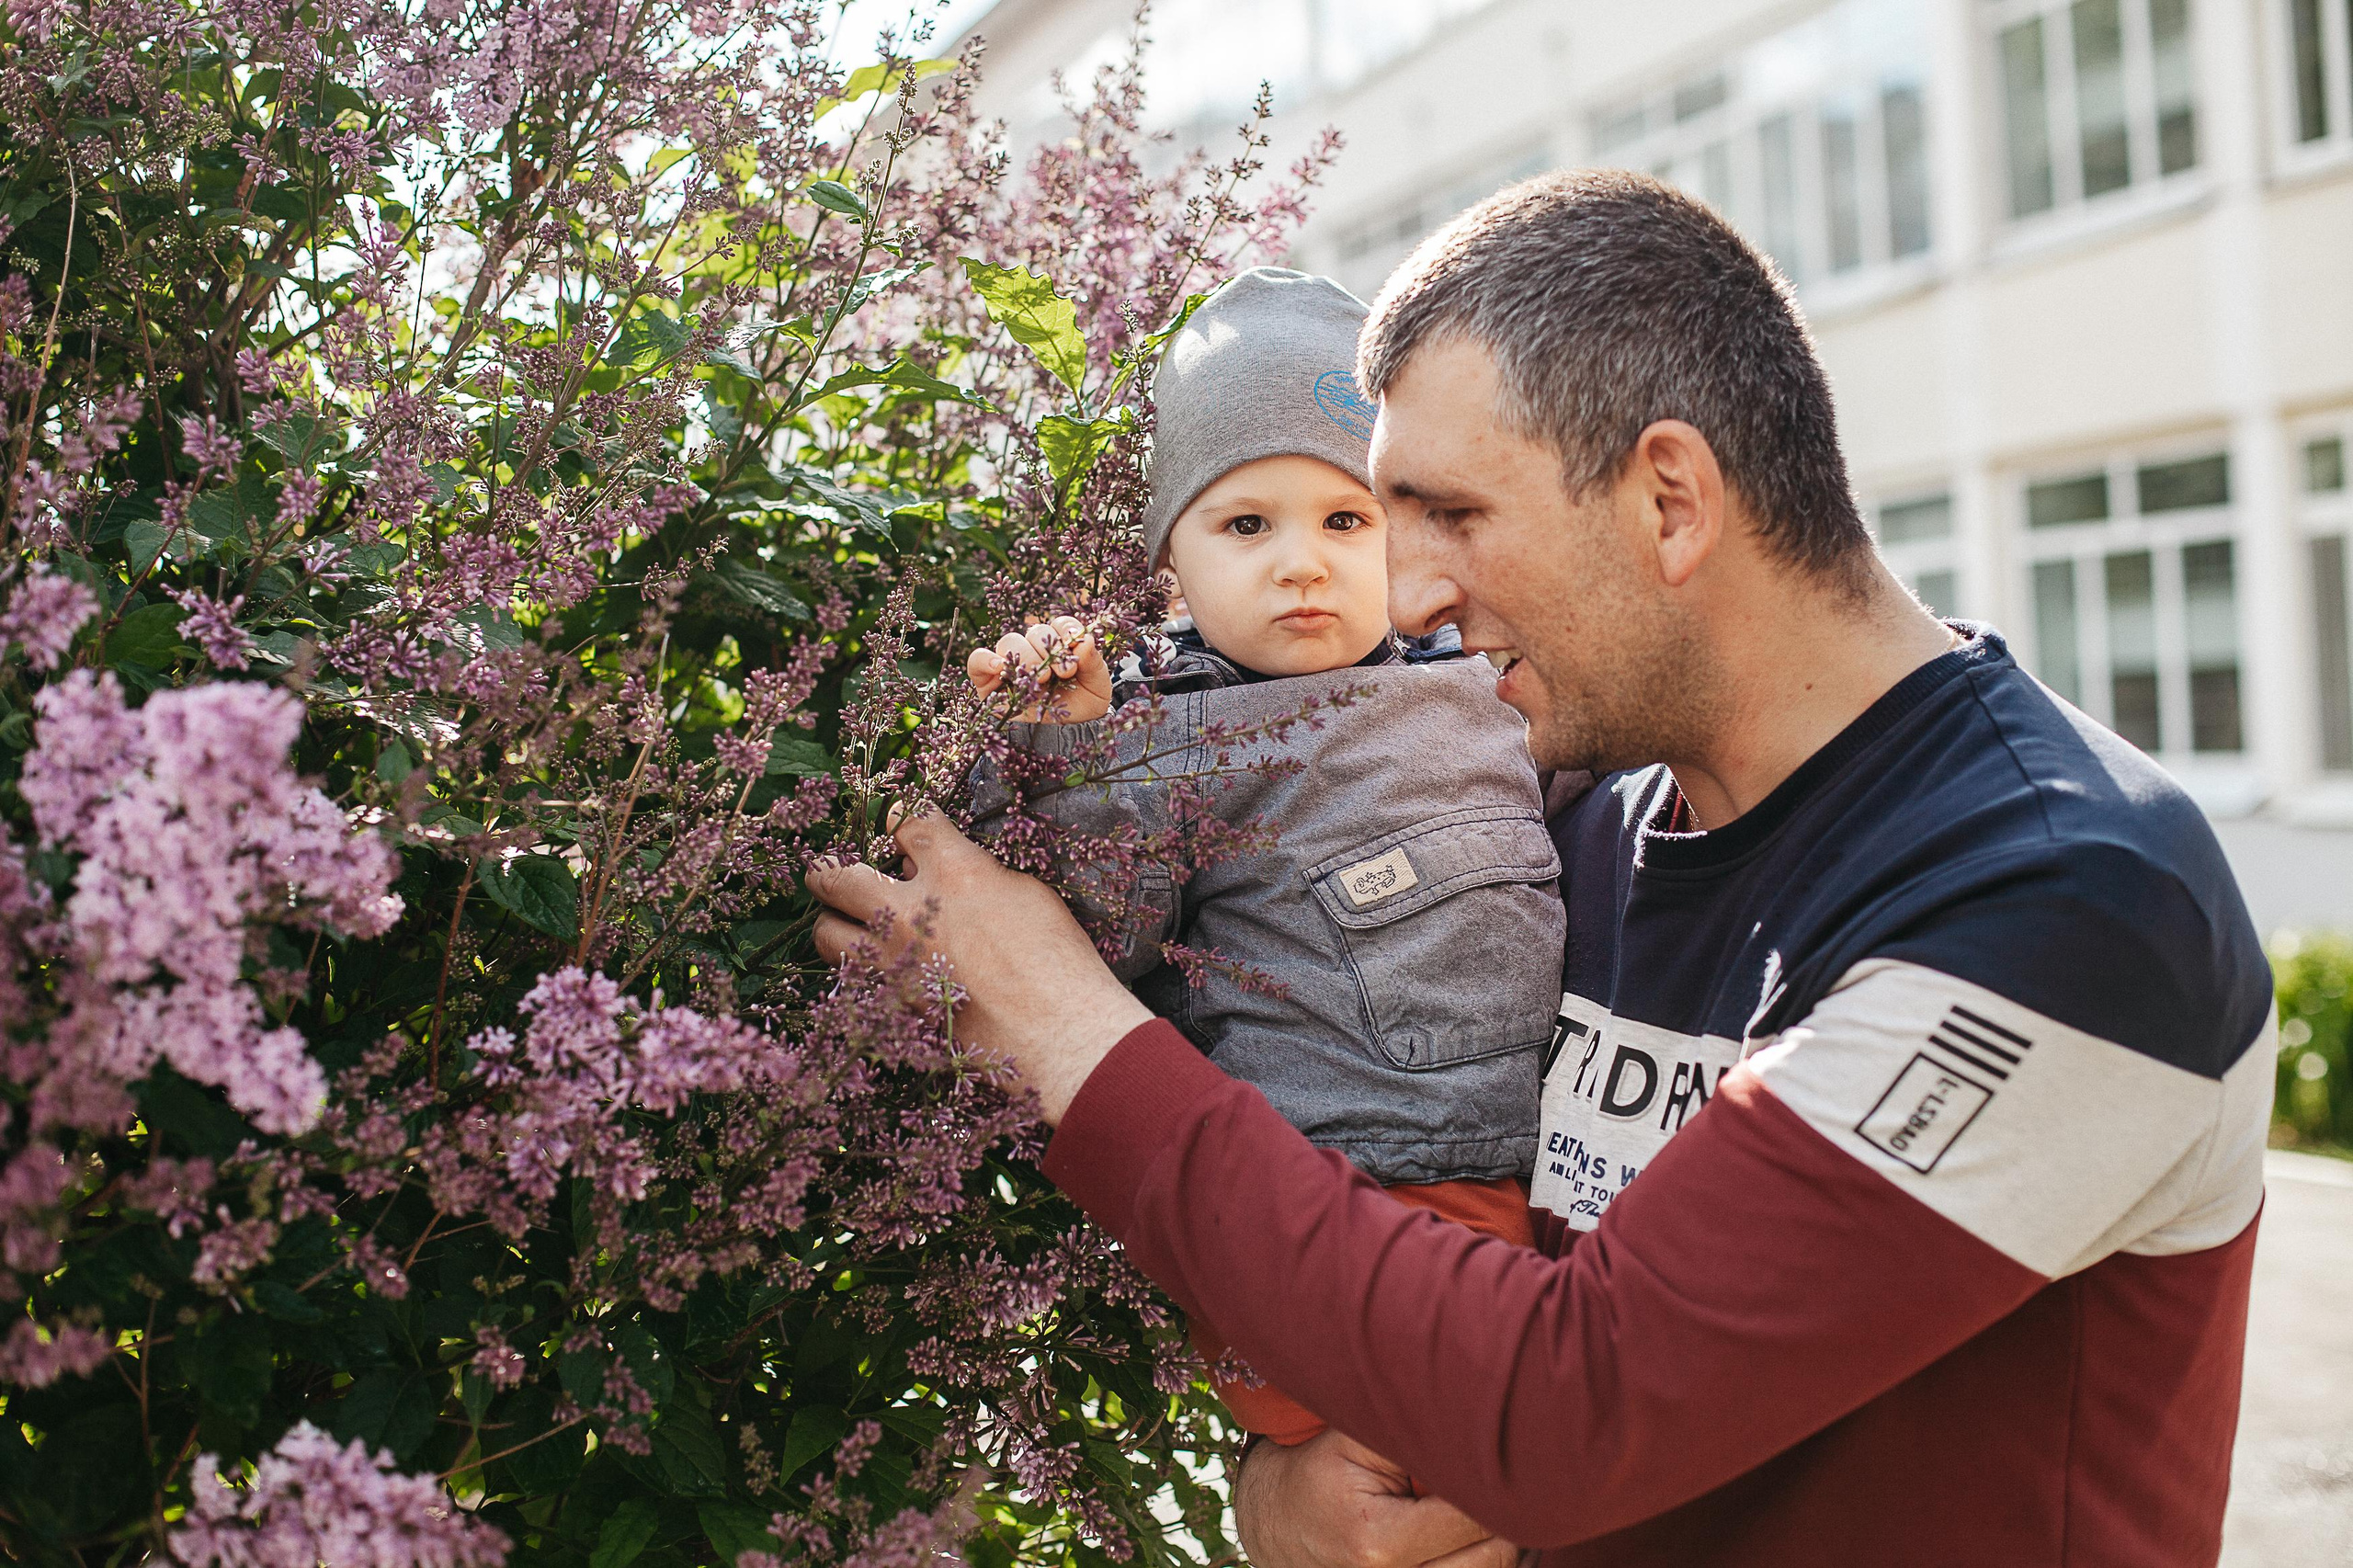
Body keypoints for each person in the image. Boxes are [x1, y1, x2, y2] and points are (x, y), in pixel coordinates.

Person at [810, 172, 2275, 1567]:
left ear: (1670, 501)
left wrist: (1067, 1030)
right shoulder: (1555, 826)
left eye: (1449, 513)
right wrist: (1283, 1497)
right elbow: (1393, 1259)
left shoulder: (2066, 897)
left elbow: (1567, 1407)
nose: (1412, 585)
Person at [967, 267, 1562, 1447]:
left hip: (1529, 1177)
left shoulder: (1478, 670)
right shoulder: (1160, 727)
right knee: (1463, 1448)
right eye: (1247, 524)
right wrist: (1071, 748)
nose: (1302, 562)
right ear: (1170, 561)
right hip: (1320, 1196)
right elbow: (1096, 945)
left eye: (1346, 520)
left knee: (1542, 1444)